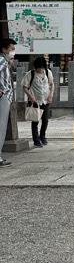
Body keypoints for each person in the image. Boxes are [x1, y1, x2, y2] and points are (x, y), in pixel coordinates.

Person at [22, 56, 55, 148]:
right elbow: (24, 87)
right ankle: (36, 140)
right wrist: (30, 96)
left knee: (45, 120)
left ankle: (43, 136)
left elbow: (52, 85)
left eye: (42, 67)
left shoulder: (48, 73)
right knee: (35, 120)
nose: (40, 70)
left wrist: (51, 95)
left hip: (46, 100)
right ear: (35, 67)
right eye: (38, 68)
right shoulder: (30, 74)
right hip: (35, 101)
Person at [0, 37, 17, 166]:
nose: (13, 51)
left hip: (5, 96)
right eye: (11, 49)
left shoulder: (5, 61)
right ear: (4, 49)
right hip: (3, 97)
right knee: (1, 127)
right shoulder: (1, 60)